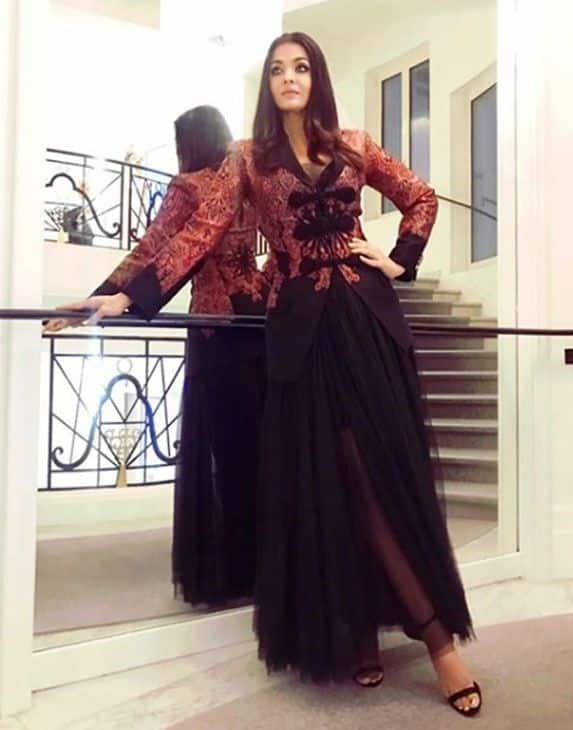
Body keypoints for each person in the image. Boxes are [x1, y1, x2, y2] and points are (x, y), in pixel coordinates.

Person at [48, 34, 482, 716]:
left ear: (318, 78)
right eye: (278, 69)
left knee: (378, 473)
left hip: (365, 323)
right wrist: (124, 297)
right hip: (301, 334)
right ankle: (357, 631)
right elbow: (196, 233)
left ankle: (437, 640)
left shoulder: (355, 145)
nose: (289, 78)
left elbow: (421, 198)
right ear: (268, 86)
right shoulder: (248, 160)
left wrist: (399, 258)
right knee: (332, 479)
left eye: (301, 67)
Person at [44, 105, 270, 607]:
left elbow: (152, 250)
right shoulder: (247, 181)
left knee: (221, 450)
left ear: (187, 143)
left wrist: (98, 300)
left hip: (215, 328)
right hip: (259, 323)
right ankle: (264, 569)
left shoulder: (189, 187)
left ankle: (229, 574)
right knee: (259, 449)